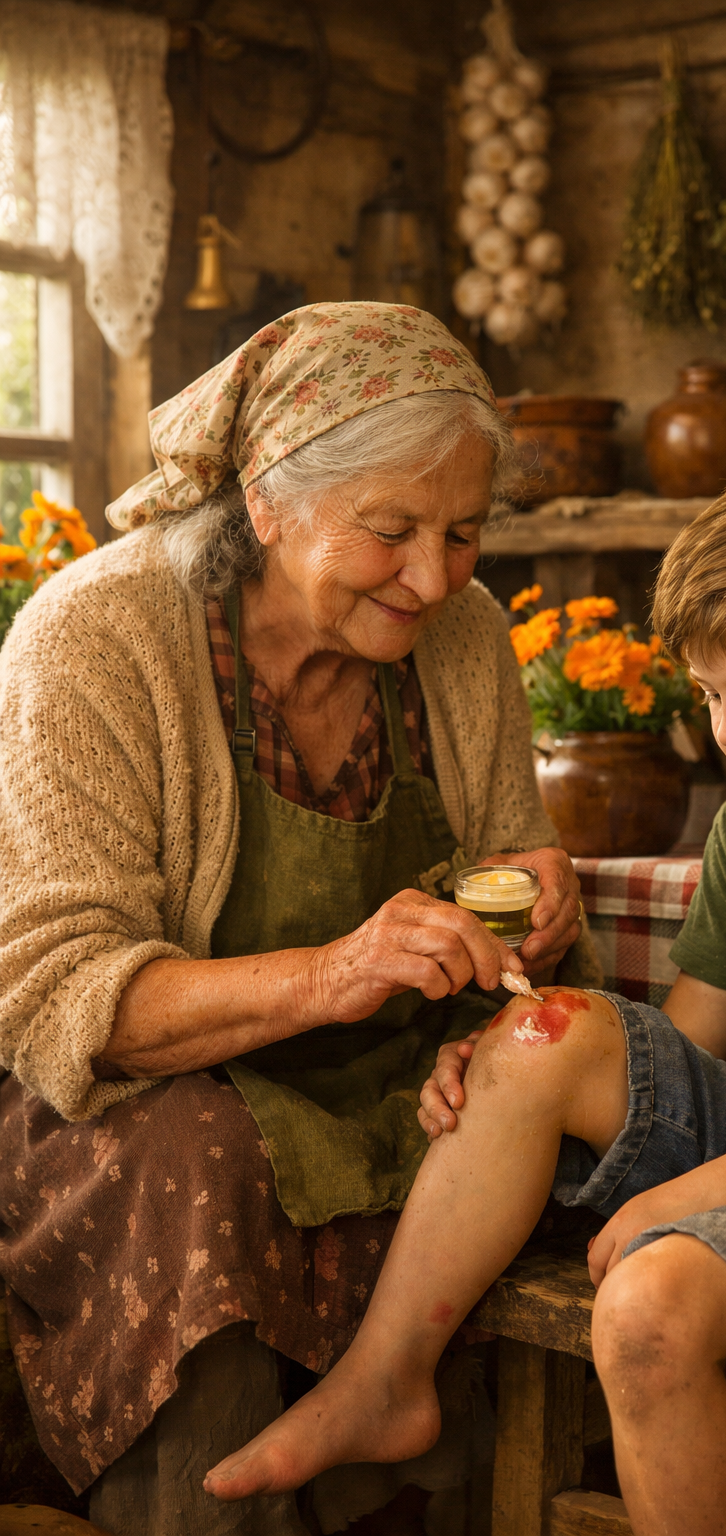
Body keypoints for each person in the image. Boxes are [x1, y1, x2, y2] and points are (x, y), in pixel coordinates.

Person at [203, 454, 726, 1536]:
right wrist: (518, 1065)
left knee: (644, 1309)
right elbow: (688, 1041)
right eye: (712, 695)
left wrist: (678, 1201)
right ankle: (384, 1380)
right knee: (543, 1033)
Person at [0, 302, 599, 1534]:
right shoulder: (98, 634)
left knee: (540, 1120)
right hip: (147, 1100)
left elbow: (507, 864)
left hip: (381, 1075)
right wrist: (334, 972)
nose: (432, 578)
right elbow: (67, 1001)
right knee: (204, 1160)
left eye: (463, 533)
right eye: (390, 530)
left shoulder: (464, 636)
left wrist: (537, 906)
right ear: (267, 502)